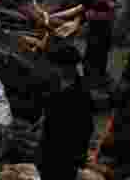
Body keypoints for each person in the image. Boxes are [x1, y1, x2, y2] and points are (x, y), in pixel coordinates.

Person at [37, 44, 93, 180]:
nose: (54, 69)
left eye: (57, 65)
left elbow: (85, 127)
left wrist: (79, 154)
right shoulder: (57, 83)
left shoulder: (80, 94)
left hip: (64, 152)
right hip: (49, 148)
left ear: (67, 67)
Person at [81, 0, 115, 82]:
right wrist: (107, 9)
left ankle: (101, 74)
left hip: (107, 22)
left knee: (104, 48)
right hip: (95, 24)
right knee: (93, 49)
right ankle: (89, 76)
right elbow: (87, 12)